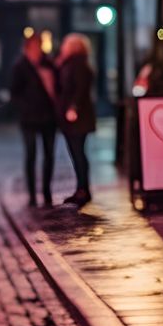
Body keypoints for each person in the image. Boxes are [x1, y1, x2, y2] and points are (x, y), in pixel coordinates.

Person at [8, 34, 58, 208]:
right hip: (29, 118)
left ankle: (46, 191)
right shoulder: (20, 66)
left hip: (49, 117)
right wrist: (25, 107)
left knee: (49, 155)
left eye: (40, 46)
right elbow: (14, 93)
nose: (38, 50)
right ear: (28, 47)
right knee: (31, 155)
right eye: (35, 46)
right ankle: (32, 195)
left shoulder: (49, 63)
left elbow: (57, 88)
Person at [56, 33, 97, 205]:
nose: (62, 47)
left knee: (78, 153)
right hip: (74, 116)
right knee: (77, 153)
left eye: (66, 44)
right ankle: (81, 188)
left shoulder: (78, 65)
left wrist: (73, 107)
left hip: (77, 117)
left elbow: (80, 89)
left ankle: (83, 190)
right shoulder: (72, 63)